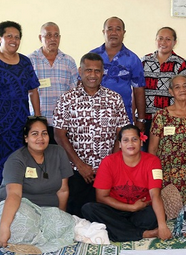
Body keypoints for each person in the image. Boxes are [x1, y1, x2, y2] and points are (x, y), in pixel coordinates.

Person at [0, 116, 77, 253]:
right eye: (34, 134)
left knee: (65, 225)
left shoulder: (58, 153)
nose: (40, 138)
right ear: (26, 138)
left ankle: (0, 231)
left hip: (46, 209)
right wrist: (5, 228)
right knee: (21, 221)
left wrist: (59, 216)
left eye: (44, 133)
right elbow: (14, 195)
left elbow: (63, 190)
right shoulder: (17, 159)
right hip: (15, 206)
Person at [53, 52, 129, 217]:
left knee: (108, 215)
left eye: (97, 71)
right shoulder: (66, 99)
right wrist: (80, 165)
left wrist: (111, 166)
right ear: (80, 71)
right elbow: (59, 135)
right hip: (76, 171)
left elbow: (121, 134)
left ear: (103, 73)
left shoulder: (115, 99)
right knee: (78, 216)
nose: (93, 75)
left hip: (108, 171)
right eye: (88, 70)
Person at [0, 21, 41, 203]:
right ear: (0, 38)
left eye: (17, 37)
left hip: (21, 122)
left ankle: (16, 200)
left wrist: (37, 119)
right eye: (9, 36)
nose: (13, 40)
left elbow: (33, 90)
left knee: (20, 162)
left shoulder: (25, 61)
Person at [81, 125, 172, 242]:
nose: (130, 143)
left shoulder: (153, 161)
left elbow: (155, 195)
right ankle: (143, 234)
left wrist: (162, 226)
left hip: (140, 211)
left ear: (141, 142)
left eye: (134, 139)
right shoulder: (108, 162)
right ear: (119, 144)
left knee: (156, 216)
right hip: (115, 210)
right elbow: (101, 197)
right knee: (89, 209)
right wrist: (131, 207)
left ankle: (119, 231)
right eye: (125, 140)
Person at [148, 75, 186, 204]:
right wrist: (155, 179)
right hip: (167, 177)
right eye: (177, 87)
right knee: (169, 216)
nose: (182, 90)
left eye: (185, 86)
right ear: (171, 92)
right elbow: (152, 150)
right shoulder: (161, 116)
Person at [141, 26, 186, 149]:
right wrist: (139, 119)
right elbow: (137, 90)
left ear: (175, 42)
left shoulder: (180, 63)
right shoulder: (144, 61)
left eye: (168, 39)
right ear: (155, 40)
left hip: (171, 119)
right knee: (148, 155)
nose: (163, 42)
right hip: (147, 119)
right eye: (160, 38)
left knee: (168, 153)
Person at [90, 16, 147, 131]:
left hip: (122, 117)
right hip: (93, 116)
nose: (113, 33)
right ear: (103, 32)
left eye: (118, 29)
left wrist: (141, 119)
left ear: (123, 32)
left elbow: (139, 90)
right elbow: (81, 85)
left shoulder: (133, 59)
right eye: (110, 29)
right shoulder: (92, 56)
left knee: (121, 148)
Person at [28, 22, 78, 144]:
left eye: (56, 35)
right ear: (40, 38)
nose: (53, 39)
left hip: (63, 124)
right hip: (39, 123)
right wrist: (37, 119)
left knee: (61, 160)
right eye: (48, 35)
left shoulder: (69, 61)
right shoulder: (30, 61)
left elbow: (75, 94)